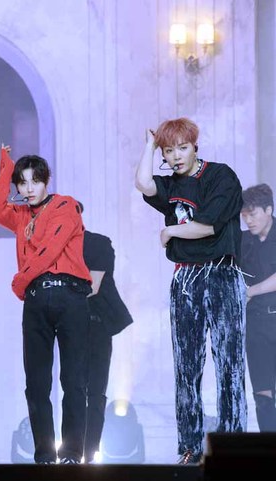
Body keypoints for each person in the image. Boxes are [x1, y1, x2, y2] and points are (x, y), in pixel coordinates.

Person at [135, 117, 246, 464]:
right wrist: (150, 146)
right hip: (185, 279)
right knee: (186, 367)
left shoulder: (221, 176)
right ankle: (190, 447)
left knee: (229, 365)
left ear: (195, 146)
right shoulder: (170, 185)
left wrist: (170, 232)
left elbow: (207, 226)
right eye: (169, 151)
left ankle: (233, 446)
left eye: (182, 148)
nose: (176, 156)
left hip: (222, 274)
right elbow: (143, 183)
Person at [0, 145, 91, 465]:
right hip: (36, 301)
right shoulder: (20, 216)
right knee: (36, 384)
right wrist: (6, 168)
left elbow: (49, 250)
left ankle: (71, 454)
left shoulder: (65, 206)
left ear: (47, 181)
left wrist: (19, 281)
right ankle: (45, 456)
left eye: (35, 181)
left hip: (70, 296)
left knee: (73, 381)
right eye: (22, 183)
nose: (29, 189)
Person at [77, 202, 134, 463]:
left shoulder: (97, 243)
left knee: (96, 391)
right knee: (73, 390)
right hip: (69, 326)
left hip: (97, 323)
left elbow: (93, 285)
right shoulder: (52, 246)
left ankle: (89, 452)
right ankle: (72, 450)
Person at [239, 183, 276, 432]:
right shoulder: (243, 241)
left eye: (252, 214)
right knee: (262, 393)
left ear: (269, 210)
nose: (248, 221)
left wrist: (250, 291)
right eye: (244, 216)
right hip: (255, 324)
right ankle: (269, 445)